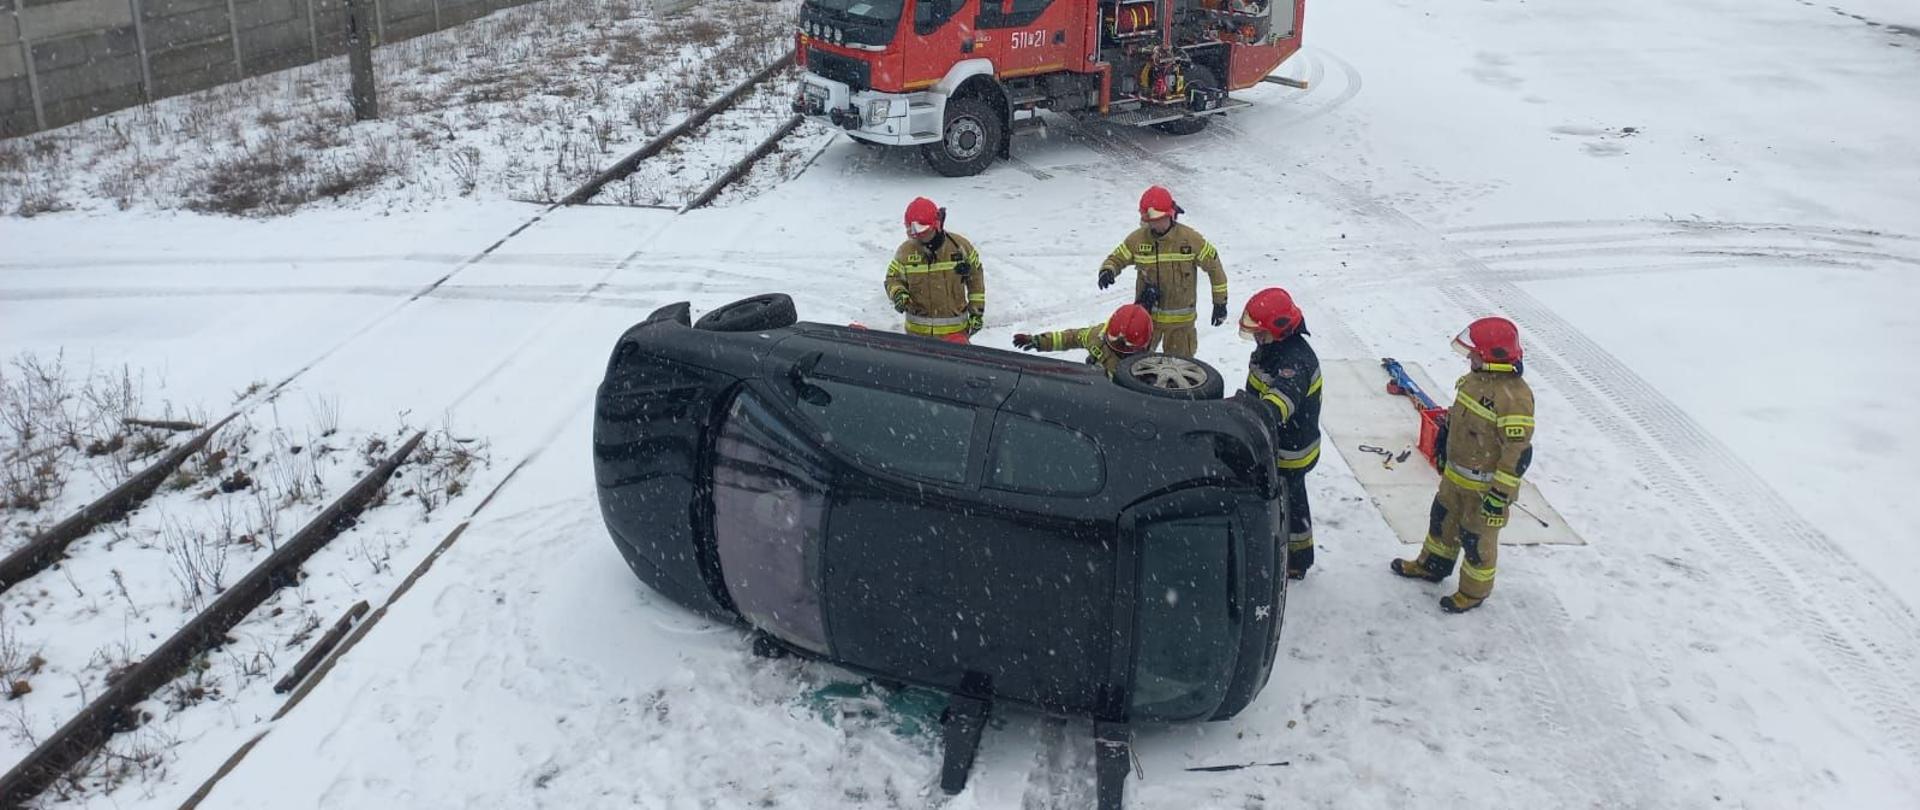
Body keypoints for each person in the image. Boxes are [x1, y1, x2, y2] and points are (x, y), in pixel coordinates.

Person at [1390, 317, 1537, 613]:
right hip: (1456, 477)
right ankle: (1432, 566)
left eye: (1475, 353)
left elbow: (1517, 453)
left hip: (1485, 488)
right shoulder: (1474, 381)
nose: (1470, 357)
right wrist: (1444, 446)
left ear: (1491, 357)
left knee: (1476, 540)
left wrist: (1499, 496)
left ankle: (1473, 592)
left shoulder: (1515, 399)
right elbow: (1458, 421)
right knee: (1442, 522)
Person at [1234, 288, 1322, 579]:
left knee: (1291, 503)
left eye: (1262, 334)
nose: (1258, 340)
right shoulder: (1273, 349)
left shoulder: (1295, 362)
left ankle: (1298, 559)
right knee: (1288, 501)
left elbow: (1279, 403)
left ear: (1280, 329)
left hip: (1291, 451)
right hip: (1277, 443)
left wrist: (1253, 417)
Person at [1096, 185, 1227, 358]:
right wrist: (1108, 270)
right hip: (1145, 320)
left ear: (1170, 215)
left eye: (1158, 220)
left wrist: (1220, 303)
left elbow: (1215, 268)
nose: (1154, 225)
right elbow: (1117, 258)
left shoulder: (1190, 240)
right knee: (1136, 366)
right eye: (1150, 221)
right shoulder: (1137, 239)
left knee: (1179, 370)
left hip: (1181, 326)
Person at [886, 197, 985, 341]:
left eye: (922, 231)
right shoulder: (906, 252)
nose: (917, 236)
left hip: (955, 335)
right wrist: (898, 293)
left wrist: (977, 312)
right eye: (911, 231)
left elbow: (976, 278)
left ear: (936, 224)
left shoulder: (960, 247)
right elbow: (892, 279)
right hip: (917, 336)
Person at [1011, 304, 1153, 377]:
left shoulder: (1151, 369)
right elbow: (1070, 338)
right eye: (1115, 343)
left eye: (1129, 347)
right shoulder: (1096, 336)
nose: (1120, 349)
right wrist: (1038, 341)